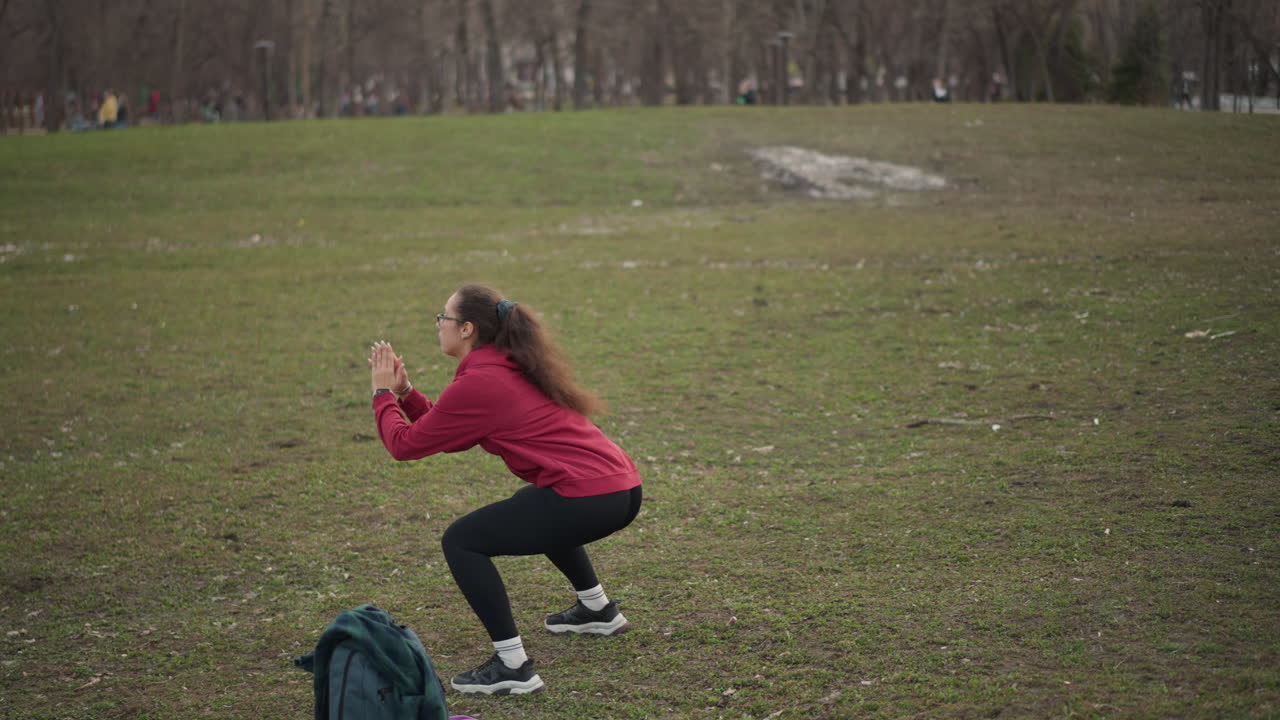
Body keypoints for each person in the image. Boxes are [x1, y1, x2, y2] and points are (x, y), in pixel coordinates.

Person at [367, 284, 642, 697]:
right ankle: (596, 609)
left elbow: (404, 445)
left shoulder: (482, 381)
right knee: (532, 505)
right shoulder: (507, 366)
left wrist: (381, 393)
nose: (437, 326)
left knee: (461, 540)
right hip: (621, 489)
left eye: (442, 317)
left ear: (466, 329)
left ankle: (513, 666)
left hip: (590, 499)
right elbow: (450, 432)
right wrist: (405, 394)